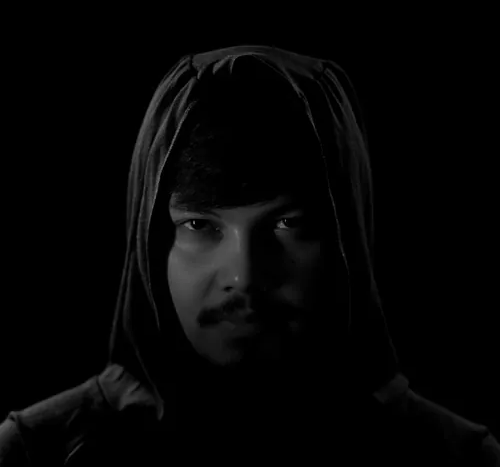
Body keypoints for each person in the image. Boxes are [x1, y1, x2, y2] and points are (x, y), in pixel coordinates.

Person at [0, 45, 498, 466]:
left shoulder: (458, 460)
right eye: (200, 225)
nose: (244, 275)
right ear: (151, 245)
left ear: (346, 237)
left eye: (288, 224)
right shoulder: (34, 455)